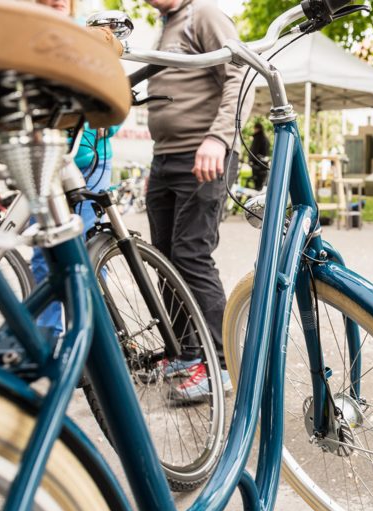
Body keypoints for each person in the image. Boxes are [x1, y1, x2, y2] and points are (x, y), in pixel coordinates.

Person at [143, 0, 251, 402]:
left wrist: (219, 138)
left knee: (191, 255)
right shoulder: (166, 24)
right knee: (165, 258)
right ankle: (188, 354)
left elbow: (240, 75)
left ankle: (222, 366)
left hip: (203, 154)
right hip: (166, 158)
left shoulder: (203, 14)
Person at [32, 0, 120, 339]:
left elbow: (112, 100)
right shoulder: (26, 36)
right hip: (42, 162)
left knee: (89, 251)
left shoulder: (90, 35)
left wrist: (104, 124)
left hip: (87, 164)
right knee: (45, 252)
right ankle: (49, 333)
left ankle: (98, 333)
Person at [249, 122, 270, 190]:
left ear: (257, 128)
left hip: (257, 163)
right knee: (261, 183)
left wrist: (251, 160)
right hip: (263, 164)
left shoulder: (258, 137)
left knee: (257, 183)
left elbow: (254, 150)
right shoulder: (265, 138)